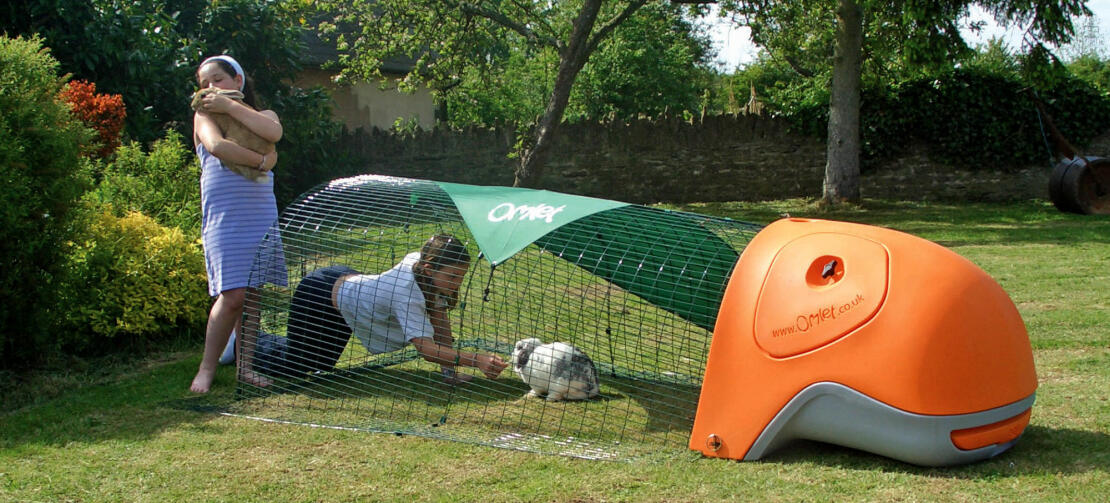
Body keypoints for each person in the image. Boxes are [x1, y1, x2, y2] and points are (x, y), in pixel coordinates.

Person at [253, 234, 508, 383]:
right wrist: (477, 360)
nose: (457, 285)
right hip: (319, 294)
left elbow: (439, 322)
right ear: (429, 269)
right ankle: (242, 342)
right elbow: (427, 349)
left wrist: (449, 372)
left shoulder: (425, 271)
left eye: (460, 278)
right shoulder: (407, 293)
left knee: (322, 365)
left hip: (347, 294)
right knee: (295, 367)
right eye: (452, 277)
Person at [190, 55, 287, 393]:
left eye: (218, 80)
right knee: (232, 294)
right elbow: (218, 147)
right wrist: (262, 161)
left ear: (238, 82)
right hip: (225, 216)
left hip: (258, 213)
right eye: (205, 84)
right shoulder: (204, 116)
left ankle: (246, 367)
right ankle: (206, 368)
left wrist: (232, 108)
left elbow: (273, 131)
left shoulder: (264, 116)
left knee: (253, 293)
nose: (211, 88)